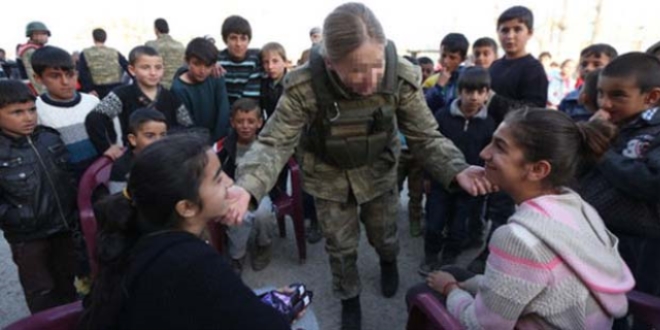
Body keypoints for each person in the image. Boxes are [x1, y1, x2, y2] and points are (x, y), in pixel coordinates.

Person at [225, 3, 494, 329]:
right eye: (355, 69)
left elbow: (425, 135)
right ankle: (349, 298)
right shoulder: (305, 85)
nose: (369, 79)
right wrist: (248, 184)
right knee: (340, 248)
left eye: (376, 65)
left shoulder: (400, 76)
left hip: (378, 172)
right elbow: (274, 142)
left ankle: (388, 261)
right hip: (329, 179)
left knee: (385, 236)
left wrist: (456, 168)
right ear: (329, 63)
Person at [409, 108, 634, 329]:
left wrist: (450, 289)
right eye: (491, 141)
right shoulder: (577, 205)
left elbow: (479, 325)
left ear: (538, 169)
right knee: (458, 274)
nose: (484, 153)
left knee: (420, 293)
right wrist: (468, 285)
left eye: (500, 147)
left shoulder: (517, 240)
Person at [78, 134, 298, 330]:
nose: (230, 184)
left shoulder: (137, 233)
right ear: (187, 207)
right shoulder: (192, 263)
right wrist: (279, 310)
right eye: (219, 179)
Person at [579, 52, 660, 301]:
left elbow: (652, 182)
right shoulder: (614, 123)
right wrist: (586, 139)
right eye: (601, 93)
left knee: (630, 304)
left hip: (637, 243)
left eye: (618, 96)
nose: (605, 103)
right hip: (594, 232)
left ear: (652, 97)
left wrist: (603, 154)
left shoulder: (654, 132)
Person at [0, 80, 78, 313]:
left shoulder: (50, 138)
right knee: (41, 293)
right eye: (17, 112)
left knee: (68, 285)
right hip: (29, 238)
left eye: (31, 109)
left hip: (64, 229)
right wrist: (17, 216)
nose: (28, 118)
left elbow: (69, 177)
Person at [420, 67, 496, 275]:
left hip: (471, 188)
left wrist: (487, 183)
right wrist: (427, 176)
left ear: (487, 93)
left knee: (458, 228)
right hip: (441, 182)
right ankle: (430, 256)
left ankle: (448, 259)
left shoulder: (489, 124)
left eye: (480, 92)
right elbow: (430, 149)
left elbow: (491, 157)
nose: (474, 97)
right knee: (434, 223)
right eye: (468, 91)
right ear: (459, 91)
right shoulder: (443, 116)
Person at [85, 45, 193, 158]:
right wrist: (106, 147)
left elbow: (187, 124)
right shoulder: (121, 94)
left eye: (158, 67)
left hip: (166, 156)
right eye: (145, 67)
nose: (153, 72)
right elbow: (94, 118)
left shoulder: (170, 96)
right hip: (134, 157)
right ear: (132, 70)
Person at [217, 98, 277, 273]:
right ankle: (237, 255)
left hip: (260, 192)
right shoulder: (226, 146)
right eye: (240, 121)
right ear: (232, 123)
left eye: (251, 121)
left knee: (263, 213)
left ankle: (263, 245)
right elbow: (217, 171)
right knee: (238, 216)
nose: (245, 126)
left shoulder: (265, 145)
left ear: (259, 123)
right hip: (233, 191)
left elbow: (275, 171)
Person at [31, 46, 101, 180]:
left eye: (70, 74)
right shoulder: (35, 109)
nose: (65, 82)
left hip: (97, 175)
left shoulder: (92, 102)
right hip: (63, 180)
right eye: (55, 76)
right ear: (38, 78)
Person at [171, 37, 231, 142]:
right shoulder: (178, 89)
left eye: (207, 65)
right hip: (193, 142)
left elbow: (223, 111)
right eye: (197, 64)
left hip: (219, 140)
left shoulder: (216, 76)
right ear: (187, 61)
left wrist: (217, 140)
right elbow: (186, 124)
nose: (202, 70)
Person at [108, 108, 167, 194]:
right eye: (150, 136)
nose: (159, 141)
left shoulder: (170, 158)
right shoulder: (122, 168)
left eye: (163, 135)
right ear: (133, 139)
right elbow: (117, 201)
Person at [559, 44, 618, 122]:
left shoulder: (618, 101)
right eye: (584, 64)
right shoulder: (570, 100)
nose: (588, 68)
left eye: (597, 64)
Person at [218, 15, 262, 105]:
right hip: (226, 113)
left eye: (243, 38)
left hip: (253, 113)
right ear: (225, 40)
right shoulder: (218, 60)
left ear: (249, 40)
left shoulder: (258, 58)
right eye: (233, 38)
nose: (238, 44)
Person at [78, 28, 131, 99]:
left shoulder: (85, 53)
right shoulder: (114, 52)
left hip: (97, 89)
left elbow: (82, 72)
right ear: (105, 38)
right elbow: (127, 66)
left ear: (93, 38)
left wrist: (88, 89)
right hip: (115, 87)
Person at [425, 33, 469, 112]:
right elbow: (425, 105)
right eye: (443, 55)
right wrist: (438, 86)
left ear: (463, 59)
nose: (446, 61)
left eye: (452, 57)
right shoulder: (432, 81)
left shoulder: (468, 80)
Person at [145, 18, 185, 89]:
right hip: (178, 87)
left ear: (156, 30)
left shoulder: (150, 45)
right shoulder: (180, 46)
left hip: (158, 88)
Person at [17, 21, 50, 94]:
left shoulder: (38, 49)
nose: (46, 36)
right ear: (34, 35)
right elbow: (33, 74)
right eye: (43, 34)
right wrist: (44, 94)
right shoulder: (29, 51)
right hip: (34, 90)